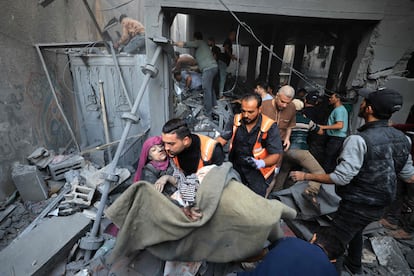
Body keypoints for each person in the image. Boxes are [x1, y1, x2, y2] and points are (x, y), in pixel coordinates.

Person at [290, 87, 414, 274]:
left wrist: (306, 176)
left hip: (357, 204)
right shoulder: (404, 139)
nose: (360, 104)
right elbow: (408, 176)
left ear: (369, 109)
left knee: (332, 244)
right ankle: (354, 265)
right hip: (380, 205)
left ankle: (331, 271)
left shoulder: (358, 140)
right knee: (355, 230)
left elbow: (341, 177)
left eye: (364, 101)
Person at [217, 93, 283, 197]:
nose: (246, 115)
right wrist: (209, 150)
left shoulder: (269, 126)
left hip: (258, 172)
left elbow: (275, 155)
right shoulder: (236, 120)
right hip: (237, 167)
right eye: (243, 111)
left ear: (259, 109)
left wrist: (261, 163)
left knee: (254, 202)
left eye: (250, 112)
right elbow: (222, 139)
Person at [266, 99, 325, 211]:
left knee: (282, 173)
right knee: (319, 172)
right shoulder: (306, 121)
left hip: (286, 151)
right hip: (301, 151)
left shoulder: (285, 119)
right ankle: (310, 191)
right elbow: (320, 131)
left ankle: (275, 197)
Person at [237, 237, 337, 276]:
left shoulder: (290, 241)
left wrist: (236, 259)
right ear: (333, 260)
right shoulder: (332, 272)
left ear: (314, 238)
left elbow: (260, 255)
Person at [174, 32, 218, 118]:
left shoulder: (200, 43)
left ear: (196, 38)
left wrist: (174, 43)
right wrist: (191, 69)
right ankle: (214, 106)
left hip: (208, 69)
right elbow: (199, 65)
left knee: (206, 90)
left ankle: (207, 113)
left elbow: (186, 44)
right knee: (210, 88)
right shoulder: (201, 51)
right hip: (212, 68)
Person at [319, 92, 348, 173]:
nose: (330, 99)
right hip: (337, 138)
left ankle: (323, 179)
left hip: (336, 138)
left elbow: (339, 125)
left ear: (337, 99)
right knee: (331, 160)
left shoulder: (338, 110)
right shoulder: (340, 109)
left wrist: (323, 127)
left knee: (328, 160)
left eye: (332, 97)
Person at [261, 85, 296, 151]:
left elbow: (290, 125)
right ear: (277, 96)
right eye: (282, 101)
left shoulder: (292, 107)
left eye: (288, 103)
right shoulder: (263, 105)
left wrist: (287, 138)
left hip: (280, 142)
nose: (284, 105)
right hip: (263, 141)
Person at [302, 90, 329, 166]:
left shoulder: (302, 113)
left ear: (305, 100)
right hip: (317, 139)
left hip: (305, 139)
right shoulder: (322, 112)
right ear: (316, 102)